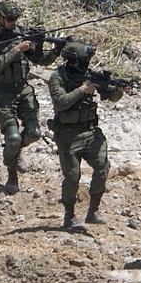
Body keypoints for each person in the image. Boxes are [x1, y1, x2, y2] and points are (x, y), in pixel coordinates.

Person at [0, 0, 61, 195]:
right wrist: (16, 50)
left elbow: (40, 60)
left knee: (33, 132)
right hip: (3, 91)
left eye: (16, 19)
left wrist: (55, 48)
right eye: (9, 19)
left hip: (23, 90)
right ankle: (12, 173)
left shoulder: (21, 34)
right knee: (13, 136)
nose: (13, 22)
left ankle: (14, 150)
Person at [49, 41, 125, 230]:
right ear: (74, 60)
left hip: (90, 131)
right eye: (83, 60)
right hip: (67, 134)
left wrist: (118, 90)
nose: (86, 63)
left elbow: (111, 97)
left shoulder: (89, 76)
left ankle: (93, 211)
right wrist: (82, 90)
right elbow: (59, 102)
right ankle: (70, 215)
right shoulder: (58, 77)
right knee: (73, 176)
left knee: (102, 166)